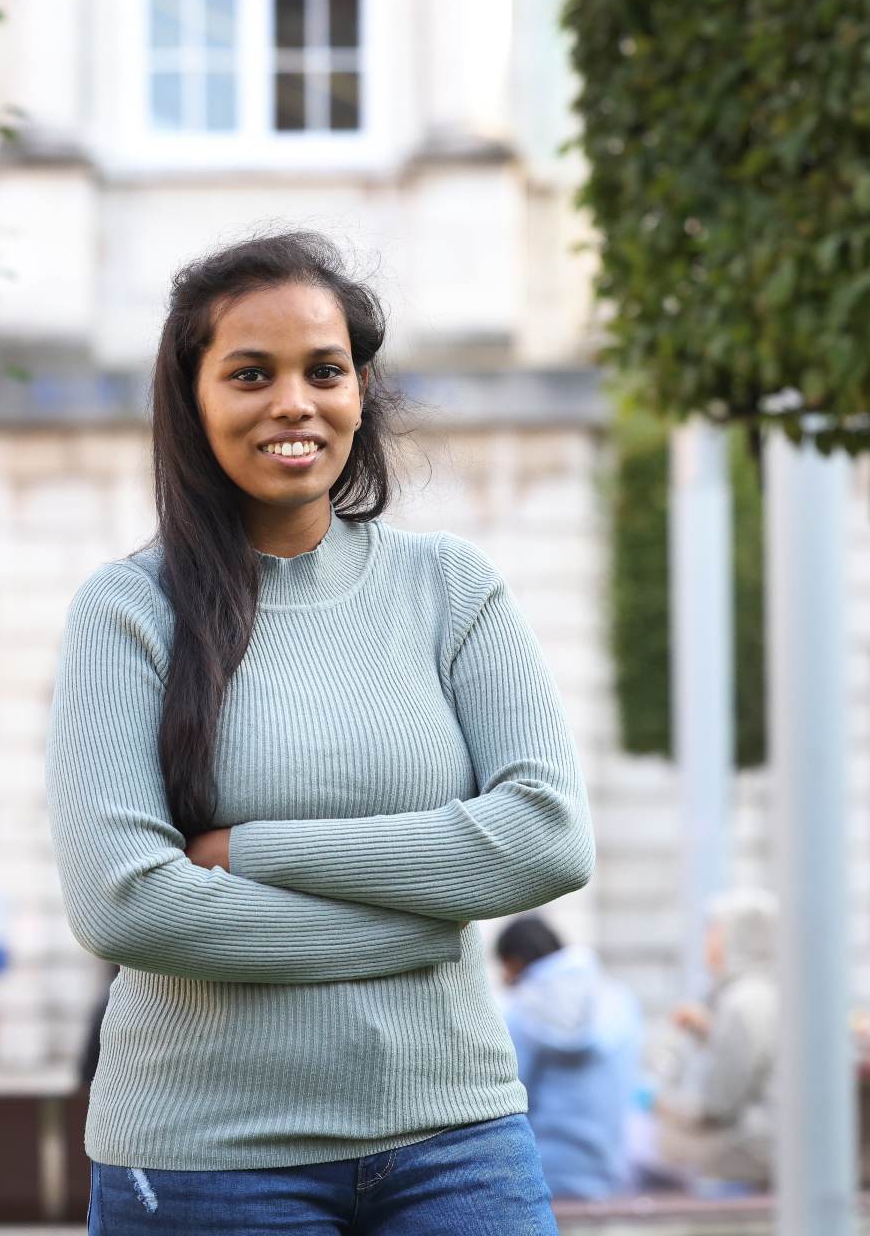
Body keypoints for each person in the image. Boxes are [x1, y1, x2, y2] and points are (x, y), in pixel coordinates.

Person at [45, 231, 595, 1234]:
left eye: (324, 370)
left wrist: (255, 848)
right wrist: (422, 922)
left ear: (360, 388)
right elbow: (122, 905)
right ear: (192, 398)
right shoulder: (127, 611)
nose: (293, 401)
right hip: (209, 1157)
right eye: (251, 373)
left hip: (456, 1139)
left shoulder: (450, 589)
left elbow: (547, 832)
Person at [495, 915, 642, 1200]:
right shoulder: (619, 1000)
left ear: (513, 962)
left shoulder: (519, 1008)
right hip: (610, 1173)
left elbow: (509, 1097)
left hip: (539, 1175)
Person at [646, 888, 778, 1197]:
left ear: (737, 937)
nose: (707, 944)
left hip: (758, 1148)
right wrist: (708, 1031)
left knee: (649, 1145)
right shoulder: (771, 990)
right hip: (783, 1140)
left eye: (714, 932)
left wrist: (663, 1105)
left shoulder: (741, 1003)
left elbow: (717, 1105)